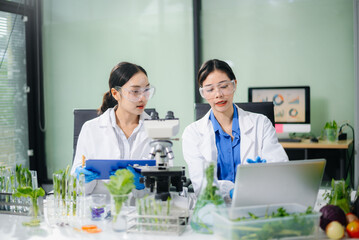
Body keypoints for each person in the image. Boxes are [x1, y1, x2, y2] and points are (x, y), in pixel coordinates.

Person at [182, 59, 288, 198]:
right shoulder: (192, 134)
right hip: (216, 207)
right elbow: (202, 185)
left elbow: (281, 170)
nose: (218, 94)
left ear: (234, 85)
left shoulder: (261, 124)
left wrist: (266, 172)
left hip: (257, 202)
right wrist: (232, 192)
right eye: (210, 89)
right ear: (204, 93)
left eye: (224, 86)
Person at [70, 61, 155, 196]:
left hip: (142, 211)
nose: (143, 98)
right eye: (135, 91)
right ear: (116, 93)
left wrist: (144, 182)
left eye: (146, 90)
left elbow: (164, 184)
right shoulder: (91, 129)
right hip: (101, 211)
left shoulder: (157, 130)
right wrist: (83, 180)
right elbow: (77, 190)